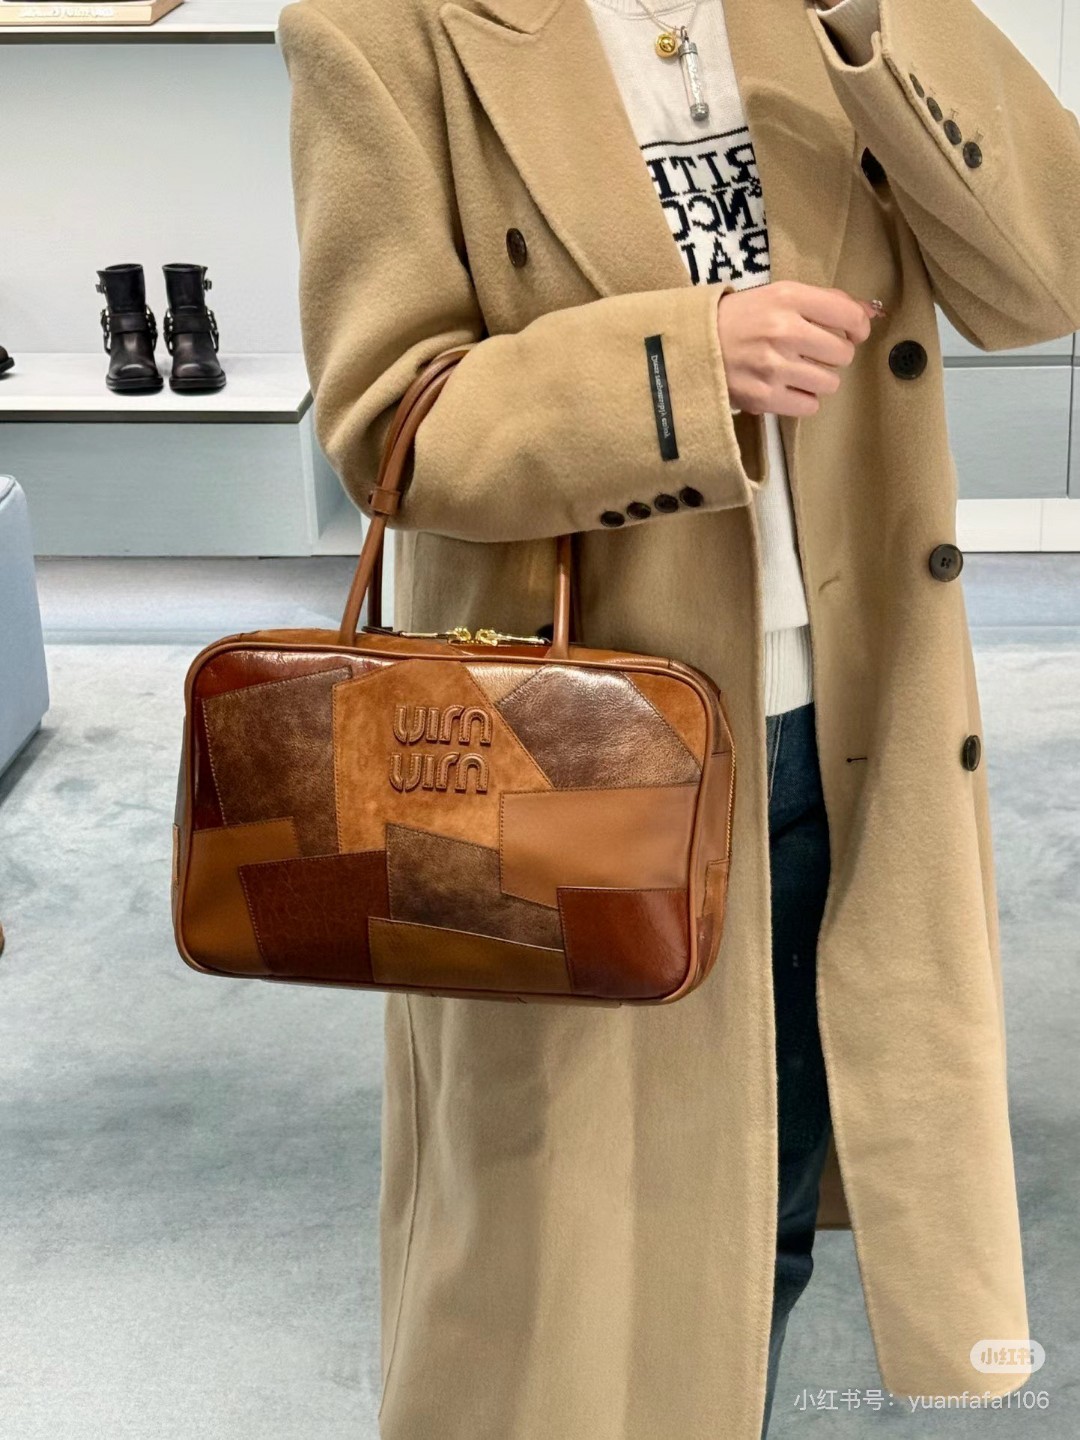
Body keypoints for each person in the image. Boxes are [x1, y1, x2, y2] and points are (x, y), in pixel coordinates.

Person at [275, 0, 1080, 1434]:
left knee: (755, 1227)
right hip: (558, 744)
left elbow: (1044, 280)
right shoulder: (380, 24)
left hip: (842, 723)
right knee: (550, 1255)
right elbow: (389, 418)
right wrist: (674, 368)